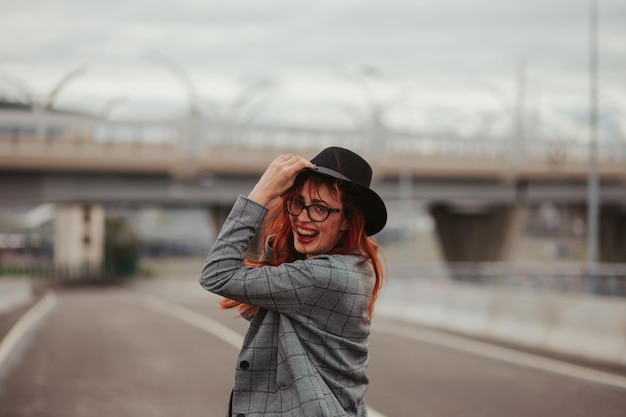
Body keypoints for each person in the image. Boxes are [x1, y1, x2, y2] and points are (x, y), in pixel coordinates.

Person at [199, 146, 387, 417]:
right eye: (297, 203)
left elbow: (217, 274)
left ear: (347, 219)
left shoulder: (323, 278)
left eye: (320, 208)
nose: (302, 217)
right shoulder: (354, 265)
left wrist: (261, 193)